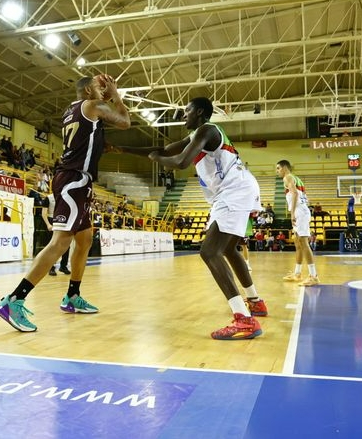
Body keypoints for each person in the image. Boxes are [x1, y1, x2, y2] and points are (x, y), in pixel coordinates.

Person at [113, 97, 266, 340]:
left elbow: (180, 161)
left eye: (187, 111)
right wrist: (123, 149)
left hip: (234, 190)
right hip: (238, 189)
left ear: (200, 112)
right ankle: (255, 301)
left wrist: (156, 159)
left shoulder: (207, 130)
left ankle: (244, 319)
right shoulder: (197, 135)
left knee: (209, 252)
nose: (184, 115)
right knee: (228, 249)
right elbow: (166, 150)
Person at [0, 74, 130, 333]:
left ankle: (72, 296)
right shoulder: (93, 105)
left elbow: (88, 136)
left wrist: (101, 144)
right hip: (74, 180)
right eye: (100, 87)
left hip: (77, 180)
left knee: (85, 239)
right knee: (60, 242)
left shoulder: (73, 110)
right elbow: (125, 121)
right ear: (88, 90)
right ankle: (13, 300)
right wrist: (116, 94)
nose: (104, 91)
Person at [277, 160, 319, 286]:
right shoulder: (297, 179)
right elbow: (305, 197)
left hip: (299, 211)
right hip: (302, 210)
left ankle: (314, 276)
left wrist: (292, 213)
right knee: (298, 243)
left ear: (285, 167)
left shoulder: (287, 177)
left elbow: (295, 193)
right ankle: (297, 273)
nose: (277, 171)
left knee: (303, 243)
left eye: (278, 168)